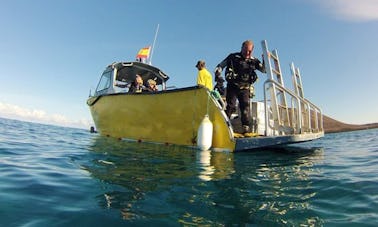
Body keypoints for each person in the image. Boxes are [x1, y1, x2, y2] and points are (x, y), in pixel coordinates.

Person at [214, 40, 265, 137]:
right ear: (241, 48)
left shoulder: (254, 60)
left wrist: (265, 59)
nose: (247, 53)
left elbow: (264, 70)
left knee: (245, 109)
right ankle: (224, 127)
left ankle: (246, 130)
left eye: (250, 51)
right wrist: (218, 72)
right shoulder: (233, 57)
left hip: (245, 88)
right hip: (232, 87)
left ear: (252, 51)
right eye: (245, 50)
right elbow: (221, 65)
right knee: (230, 107)